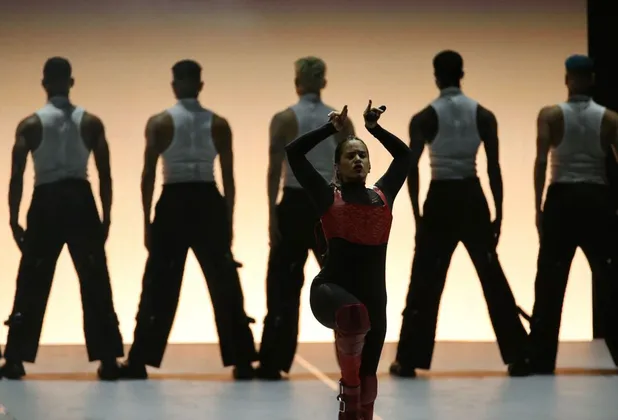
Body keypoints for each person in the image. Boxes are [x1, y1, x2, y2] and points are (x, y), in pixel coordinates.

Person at [390, 50, 530, 378]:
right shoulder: (483, 115)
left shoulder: (424, 117)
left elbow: (411, 169)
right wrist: (499, 213)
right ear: (462, 74)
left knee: (424, 281)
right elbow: (494, 167)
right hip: (472, 195)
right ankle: (519, 356)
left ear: (436, 76)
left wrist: (417, 215)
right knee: (492, 277)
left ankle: (409, 358)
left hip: (440, 198)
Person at [119, 60, 257, 381]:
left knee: (158, 285)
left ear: (174, 85)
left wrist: (145, 222)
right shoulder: (219, 124)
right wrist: (229, 220)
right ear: (200, 85)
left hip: (174, 202)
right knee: (224, 284)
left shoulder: (159, 123)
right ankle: (243, 360)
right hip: (208, 200)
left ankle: (139, 360)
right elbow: (229, 179)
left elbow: (148, 176)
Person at [286, 100, 411, 419]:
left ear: (369, 166)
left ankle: (353, 399)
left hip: (374, 303)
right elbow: (294, 153)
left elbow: (405, 157)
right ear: (337, 167)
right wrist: (331, 128)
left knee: (368, 385)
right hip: (331, 294)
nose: (357, 159)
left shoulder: (384, 196)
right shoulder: (329, 196)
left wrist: (374, 129)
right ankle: (350, 387)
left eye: (362, 154)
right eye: (349, 155)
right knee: (355, 319)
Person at [0, 57, 124, 380]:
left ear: (44, 83)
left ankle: (15, 359)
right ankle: (108, 359)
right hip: (81, 200)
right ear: (71, 82)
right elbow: (106, 175)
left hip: (46, 201)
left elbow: (16, 176)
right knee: (95, 280)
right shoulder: (91, 122)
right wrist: (106, 216)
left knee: (31, 281)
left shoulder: (30, 125)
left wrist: (13, 219)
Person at [257, 56, 355, 380]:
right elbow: (351, 170)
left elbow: (274, 170)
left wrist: (272, 213)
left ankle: (273, 361)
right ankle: (352, 361)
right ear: (323, 82)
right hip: (328, 203)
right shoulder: (342, 123)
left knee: (283, 286)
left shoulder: (284, 119)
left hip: (295, 203)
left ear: (296, 82)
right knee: (341, 285)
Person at [529, 54, 618, 373]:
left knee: (550, 281)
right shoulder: (610, 119)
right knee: (610, 280)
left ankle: (540, 358)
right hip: (597, 197)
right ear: (591, 79)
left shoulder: (551, 115)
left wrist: (538, 207)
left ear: (567, 79)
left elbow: (541, 161)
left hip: (562, 197)